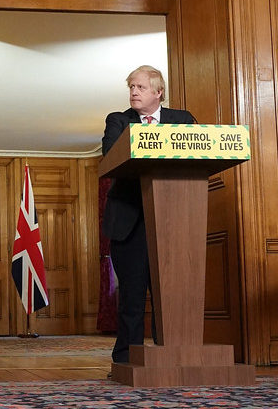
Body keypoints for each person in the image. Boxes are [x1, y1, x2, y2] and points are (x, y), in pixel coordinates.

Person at [101, 65, 196, 363]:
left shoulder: (182, 120)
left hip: (173, 219)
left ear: (159, 92)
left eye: (140, 87)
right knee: (131, 293)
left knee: (170, 295)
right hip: (130, 222)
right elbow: (110, 156)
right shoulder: (118, 121)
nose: (133, 92)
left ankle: (171, 355)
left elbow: (196, 156)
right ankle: (127, 358)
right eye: (131, 87)